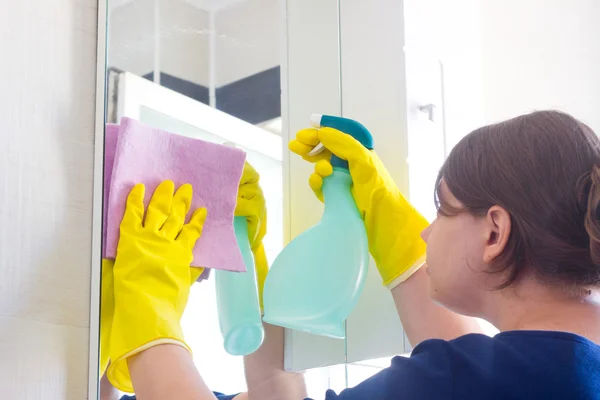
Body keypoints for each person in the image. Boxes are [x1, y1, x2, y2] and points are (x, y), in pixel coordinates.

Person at [102, 110, 600, 399]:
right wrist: (248, 259)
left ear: (495, 233)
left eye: (442, 211)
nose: (425, 234)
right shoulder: (563, 368)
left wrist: (148, 299)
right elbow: (467, 361)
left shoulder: (492, 379)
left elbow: (463, 371)